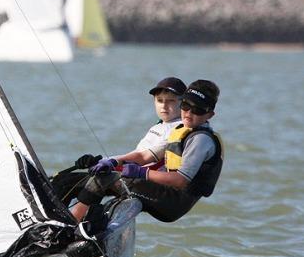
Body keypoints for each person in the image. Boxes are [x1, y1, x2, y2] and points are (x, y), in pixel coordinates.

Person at [70, 79, 223, 224]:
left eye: (197, 109)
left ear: (209, 114)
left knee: (104, 180)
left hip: (173, 203)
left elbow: (180, 180)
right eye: (185, 105)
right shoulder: (181, 130)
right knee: (91, 178)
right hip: (163, 193)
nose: (189, 112)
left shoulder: (201, 140)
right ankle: (84, 224)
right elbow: (144, 156)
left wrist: (141, 173)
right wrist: (113, 161)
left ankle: (70, 225)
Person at [51, 77, 185, 206]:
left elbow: (143, 158)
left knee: (69, 182)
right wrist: (98, 161)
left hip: (147, 183)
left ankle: (64, 222)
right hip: (133, 176)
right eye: (159, 100)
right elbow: (135, 155)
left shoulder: (178, 129)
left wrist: (110, 162)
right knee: (64, 180)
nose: (164, 106)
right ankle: (68, 221)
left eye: (171, 101)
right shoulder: (160, 125)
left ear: (183, 103)